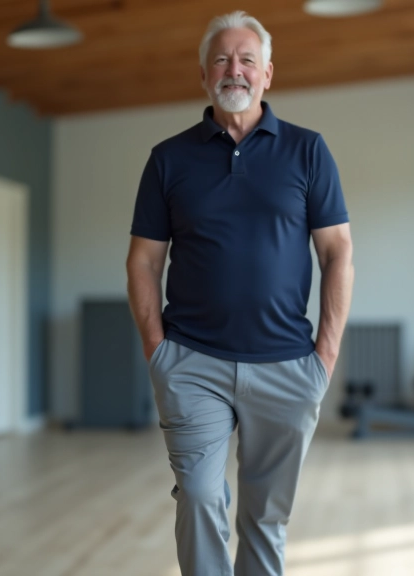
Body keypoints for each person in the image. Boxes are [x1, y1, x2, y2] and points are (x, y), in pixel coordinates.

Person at [126, 10, 354, 576]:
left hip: (287, 365)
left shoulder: (308, 151)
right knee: (199, 495)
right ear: (204, 75)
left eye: (247, 60)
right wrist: (157, 350)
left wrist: (324, 356)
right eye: (222, 60)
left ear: (267, 74)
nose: (235, 70)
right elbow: (144, 261)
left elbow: (337, 253)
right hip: (191, 362)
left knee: (266, 516)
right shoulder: (168, 159)